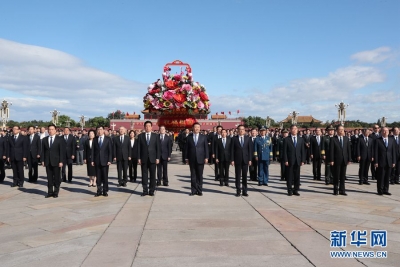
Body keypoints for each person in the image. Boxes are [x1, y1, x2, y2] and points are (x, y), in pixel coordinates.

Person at [41, 124, 65, 198]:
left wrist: (61, 161)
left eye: (52, 129)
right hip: (48, 161)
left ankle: (56, 192)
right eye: (49, 129)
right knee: (49, 178)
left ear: (55, 130)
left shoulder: (60, 139)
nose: (50, 131)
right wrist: (42, 160)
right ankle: (50, 192)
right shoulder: (44, 139)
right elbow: (43, 151)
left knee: (57, 178)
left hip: (57, 161)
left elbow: (62, 151)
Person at [185, 123, 209, 196]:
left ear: (200, 128)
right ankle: (193, 190)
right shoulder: (189, 137)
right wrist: (186, 158)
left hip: (201, 158)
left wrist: (206, 157)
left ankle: (199, 190)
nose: (197, 128)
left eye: (198, 127)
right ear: (193, 128)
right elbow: (186, 149)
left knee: (199, 175)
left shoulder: (203, 137)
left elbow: (206, 148)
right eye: (195, 127)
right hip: (192, 158)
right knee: (193, 175)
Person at [137, 121, 161, 196]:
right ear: (144, 127)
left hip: (153, 158)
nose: (147, 127)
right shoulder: (141, 136)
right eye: (146, 126)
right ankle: (144, 190)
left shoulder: (156, 136)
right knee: (144, 175)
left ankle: (151, 190)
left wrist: (157, 158)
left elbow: (158, 148)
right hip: (143, 158)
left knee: (152, 175)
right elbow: (138, 148)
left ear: (151, 127)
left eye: (149, 126)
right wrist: (139, 158)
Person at [283, 125, 306, 196]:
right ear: (290, 130)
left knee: (297, 176)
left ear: (298, 130)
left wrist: (303, 160)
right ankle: (289, 190)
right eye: (292, 129)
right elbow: (284, 151)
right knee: (289, 176)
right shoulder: (286, 139)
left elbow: (303, 150)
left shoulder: (301, 139)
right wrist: (286, 160)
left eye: (295, 129)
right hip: (290, 160)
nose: (294, 130)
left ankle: (296, 190)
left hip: (298, 160)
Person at [329, 125, 351, 196]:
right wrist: (331, 160)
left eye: (342, 129)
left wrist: (349, 159)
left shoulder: (346, 138)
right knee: (336, 176)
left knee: (342, 176)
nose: (341, 131)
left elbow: (348, 150)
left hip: (344, 159)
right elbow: (331, 150)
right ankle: (335, 190)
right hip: (336, 160)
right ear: (337, 131)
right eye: (340, 129)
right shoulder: (333, 139)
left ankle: (342, 190)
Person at [231, 125, 252, 197]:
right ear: (237, 130)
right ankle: (238, 191)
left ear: (244, 130)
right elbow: (232, 150)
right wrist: (232, 159)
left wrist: (250, 159)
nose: (241, 131)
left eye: (242, 129)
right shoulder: (234, 139)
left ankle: (245, 191)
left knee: (245, 176)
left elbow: (250, 150)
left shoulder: (248, 138)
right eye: (240, 129)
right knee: (237, 176)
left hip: (245, 160)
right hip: (237, 159)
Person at [374, 127, 396, 195]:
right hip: (381, 161)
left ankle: (386, 189)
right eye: (384, 131)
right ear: (381, 132)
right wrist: (376, 162)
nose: (385, 132)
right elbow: (376, 152)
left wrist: (394, 161)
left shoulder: (391, 140)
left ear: (388, 132)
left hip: (389, 161)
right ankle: (380, 190)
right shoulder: (378, 140)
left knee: (387, 177)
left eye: (386, 131)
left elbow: (393, 152)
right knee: (381, 176)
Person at [91, 126, 113, 197]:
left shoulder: (108, 139)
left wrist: (110, 160)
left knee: (105, 177)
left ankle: (105, 191)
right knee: (98, 177)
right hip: (97, 161)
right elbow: (93, 151)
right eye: (98, 130)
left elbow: (110, 150)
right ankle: (99, 190)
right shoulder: (95, 139)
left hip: (105, 161)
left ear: (103, 130)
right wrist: (92, 160)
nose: (99, 131)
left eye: (101, 129)